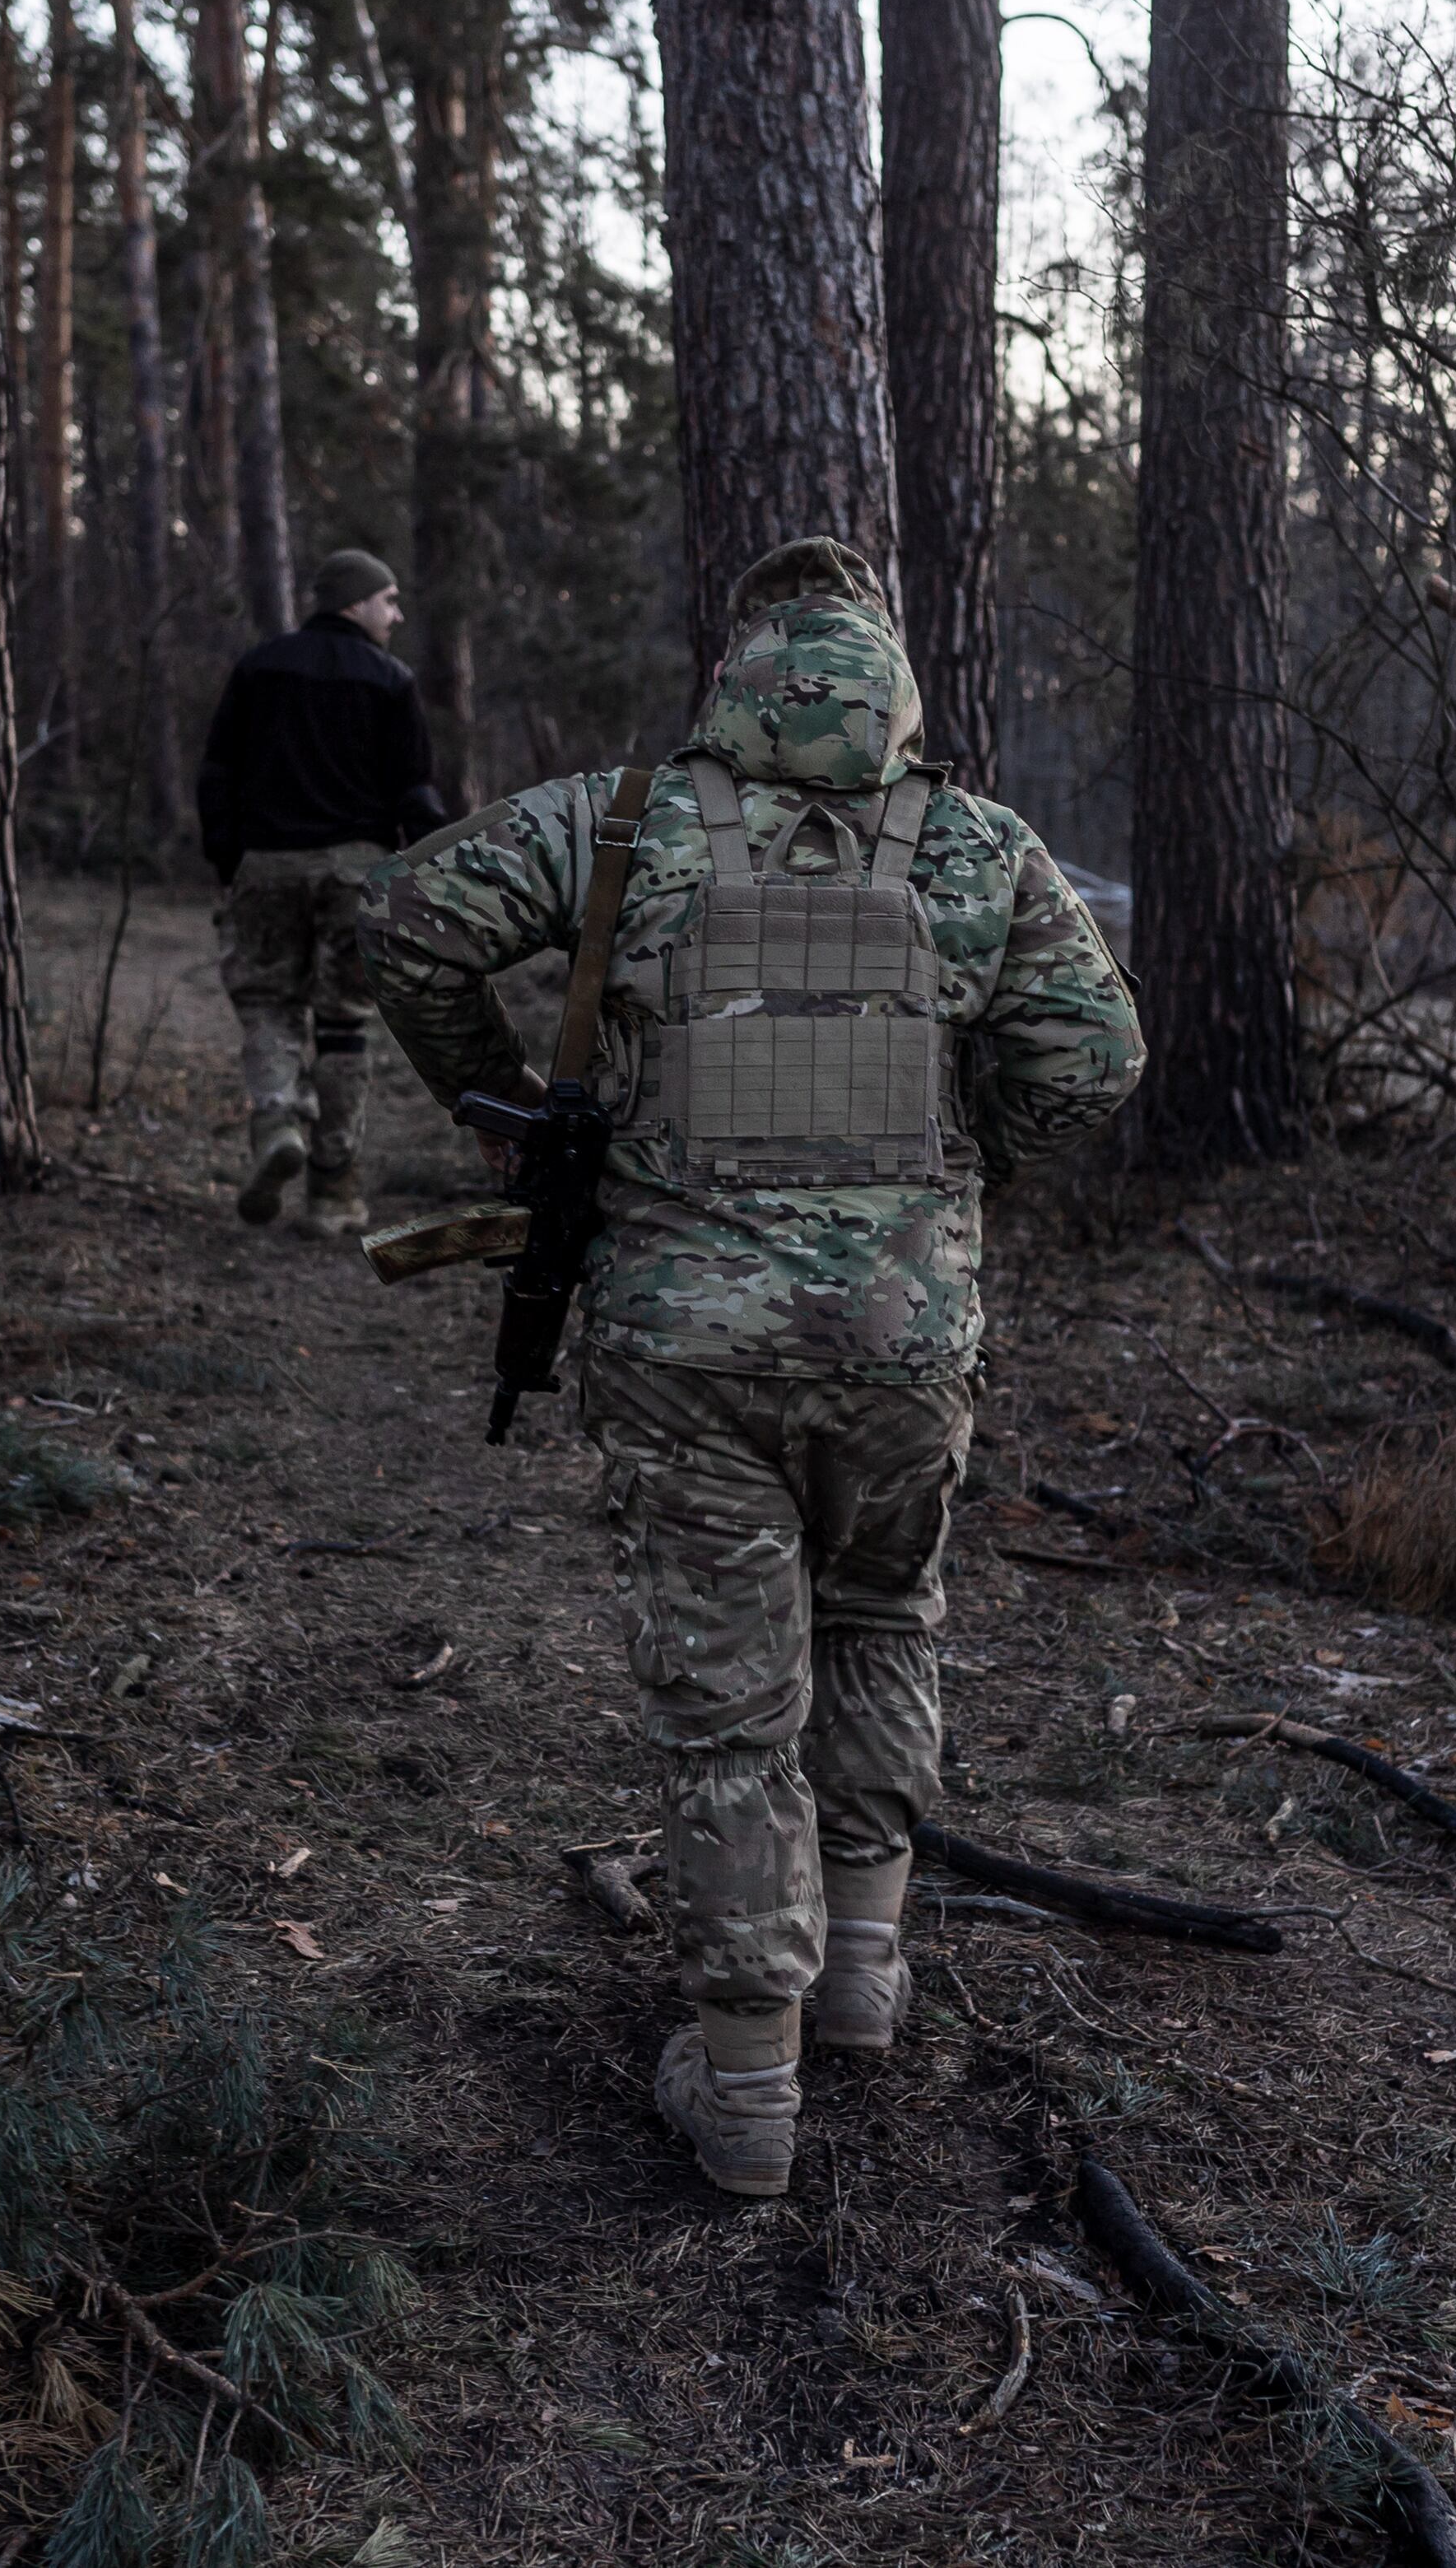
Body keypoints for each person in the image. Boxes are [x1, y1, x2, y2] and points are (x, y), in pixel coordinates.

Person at [360, 538, 1143, 2197]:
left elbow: (408, 923)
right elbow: (1098, 1050)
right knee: (881, 1617)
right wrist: (952, 1161)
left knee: (729, 1717)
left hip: (682, 1338)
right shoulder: (977, 843)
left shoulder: (616, 821)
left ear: (737, 684)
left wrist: (491, 1100)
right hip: (899, 1338)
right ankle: (859, 1971)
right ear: (891, 698)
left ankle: (745, 2095)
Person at [197, 548, 447, 1234]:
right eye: (388, 600)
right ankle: (333, 1192)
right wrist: (429, 868)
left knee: (269, 1004)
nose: (396, 615)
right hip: (356, 872)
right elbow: (415, 789)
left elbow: (217, 769)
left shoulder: (260, 666)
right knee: (344, 1025)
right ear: (354, 601)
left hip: (266, 865)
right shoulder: (391, 678)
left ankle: (277, 1119)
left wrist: (229, 858)